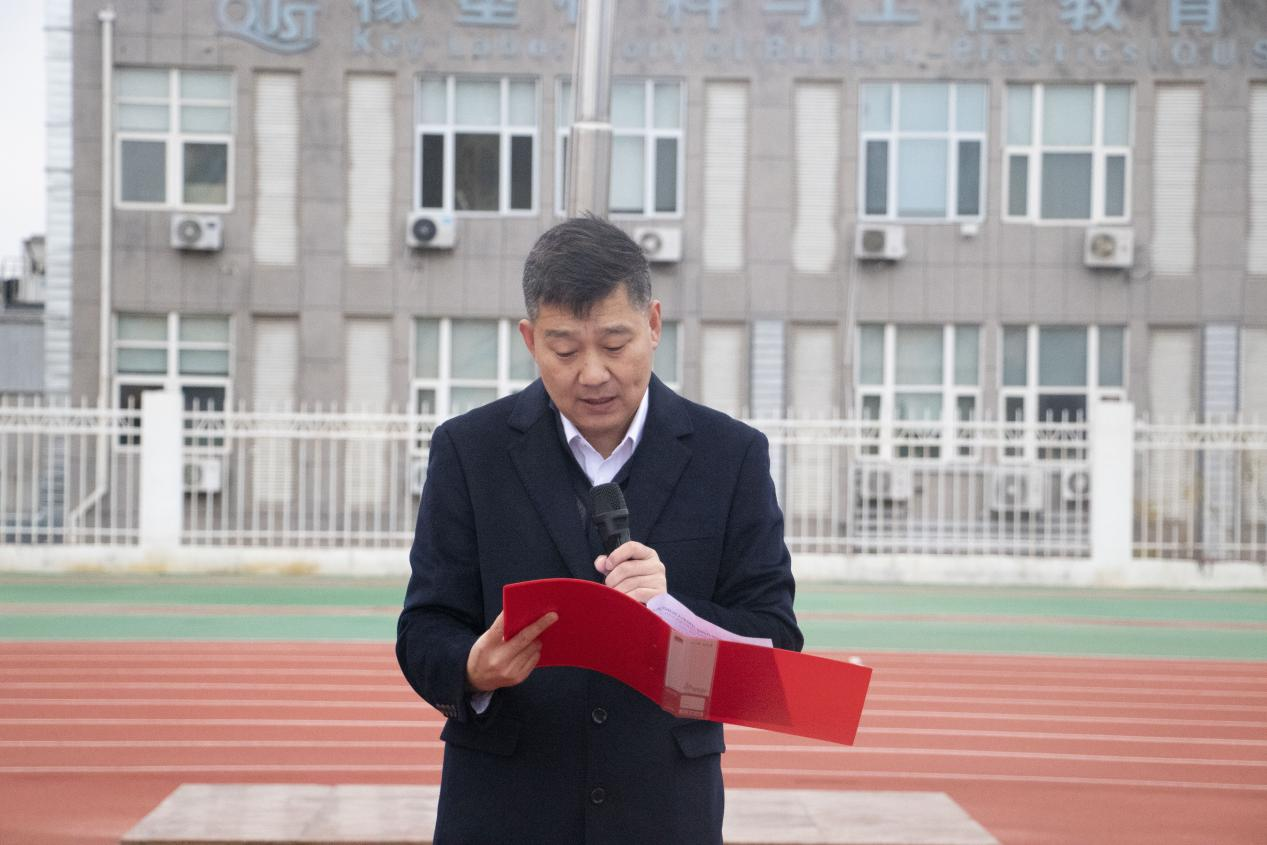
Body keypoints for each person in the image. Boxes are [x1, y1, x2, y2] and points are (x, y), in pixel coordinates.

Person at [396, 215, 802, 844]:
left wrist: (673, 611)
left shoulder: (731, 456)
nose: (591, 374)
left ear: (654, 325)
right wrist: (472, 668)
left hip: (662, 813)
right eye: (564, 350)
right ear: (531, 339)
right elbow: (424, 628)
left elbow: (777, 644)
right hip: (504, 808)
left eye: (615, 344)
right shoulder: (469, 451)